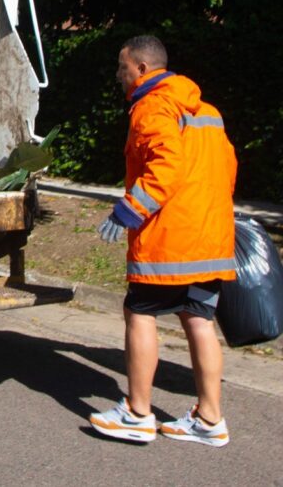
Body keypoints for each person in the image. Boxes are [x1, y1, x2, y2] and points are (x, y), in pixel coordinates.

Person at [89, 35, 237, 447]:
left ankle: (137, 413)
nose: (119, 76)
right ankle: (210, 419)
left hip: (169, 241)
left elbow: (165, 167)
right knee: (200, 321)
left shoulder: (152, 105)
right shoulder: (206, 110)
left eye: (122, 68)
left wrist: (127, 212)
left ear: (141, 69)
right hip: (208, 238)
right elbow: (227, 168)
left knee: (139, 313)